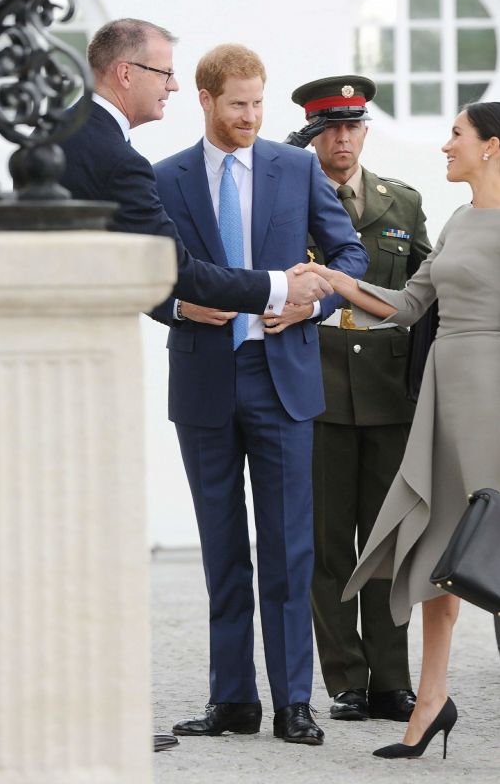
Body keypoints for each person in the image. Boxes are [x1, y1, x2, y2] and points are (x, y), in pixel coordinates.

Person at [152, 44, 368, 745]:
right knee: (221, 549)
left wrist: (312, 306)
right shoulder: (164, 179)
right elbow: (144, 277)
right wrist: (181, 309)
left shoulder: (297, 167)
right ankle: (232, 702)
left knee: (286, 548)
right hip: (204, 378)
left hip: (284, 378)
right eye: (237, 104)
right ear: (205, 100)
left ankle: (292, 704)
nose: (250, 117)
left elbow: (349, 256)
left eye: (257, 104)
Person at [304, 100, 500, 758]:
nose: (445, 145)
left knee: (495, 552)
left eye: (455, 135)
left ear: (491, 146)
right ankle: (429, 703)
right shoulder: (456, 219)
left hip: (494, 402)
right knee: (439, 553)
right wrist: (332, 278)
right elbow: (406, 305)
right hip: (444, 403)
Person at [288, 74, 431, 722]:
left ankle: (389, 681)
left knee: (388, 542)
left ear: (364, 131)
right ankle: (345, 677)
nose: (341, 139)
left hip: (387, 395)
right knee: (326, 544)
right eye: (329, 128)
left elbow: (426, 296)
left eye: (351, 127)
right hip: (314, 391)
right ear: (313, 135)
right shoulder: (285, 199)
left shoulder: (401, 202)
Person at [59, 18, 331, 318]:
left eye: (257, 103)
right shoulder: (122, 161)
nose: (173, 86)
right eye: (166, 73)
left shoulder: (58, 131)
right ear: (125, 73)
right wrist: (281, 286)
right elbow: (174, 269)